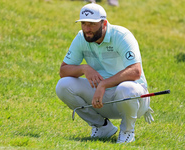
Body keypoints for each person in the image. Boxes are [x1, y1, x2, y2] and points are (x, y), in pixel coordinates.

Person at [56, 3, 154, 143]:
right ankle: (102, 127)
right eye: (83, 24)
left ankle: (127, 131)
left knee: (126, 88)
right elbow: (63, 71)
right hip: (101, 99)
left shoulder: (122, 35)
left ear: (104, 23)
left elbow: (135, 71)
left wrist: (103, 84)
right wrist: (84, 68)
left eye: (92, 24)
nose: (87, 29)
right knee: (63, 85)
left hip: (134, 98)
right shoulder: (81, 37)